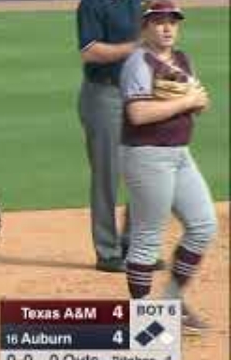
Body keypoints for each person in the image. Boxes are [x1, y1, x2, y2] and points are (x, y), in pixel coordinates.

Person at [119, 0, 216, 334]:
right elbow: (138, 115)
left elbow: (200, 100)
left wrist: (195, 101)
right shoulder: (137, 62)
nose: (167, 27)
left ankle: (171, 303)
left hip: (179, 154)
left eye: (172, 22)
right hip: (146, 155)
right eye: (159, 21)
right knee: (147, 238)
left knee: (203, 225)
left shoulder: (182, 59)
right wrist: (186, 101)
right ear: (145, 27)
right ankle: (143, 320)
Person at [76, 0, 152, 272]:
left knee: (143, 168)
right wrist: (134, 47)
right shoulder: (93, 4)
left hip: (138, 93)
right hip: (104, 94)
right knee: (107, 174)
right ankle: (108, 251)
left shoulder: (137, 3)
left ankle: (135, 246)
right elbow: (89, 50)